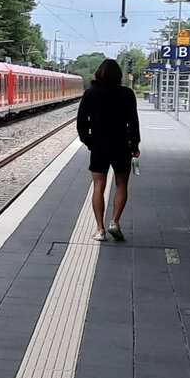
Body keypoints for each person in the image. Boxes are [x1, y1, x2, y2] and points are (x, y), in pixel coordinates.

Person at [76, 58, 141, 242]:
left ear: (99, 74)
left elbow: (81, 124)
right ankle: (115, 222)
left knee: (98, 186)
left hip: (99, 145)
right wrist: (134, 145)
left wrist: (89, 142)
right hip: (121, 145)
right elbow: (133, 122)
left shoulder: (90, 94)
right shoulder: (127, 94)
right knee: (121, 184)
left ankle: (100, 229)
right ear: (119, 75)